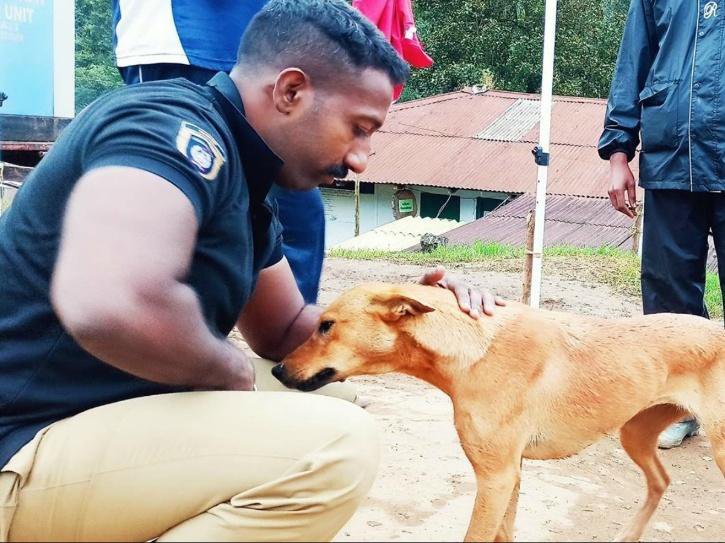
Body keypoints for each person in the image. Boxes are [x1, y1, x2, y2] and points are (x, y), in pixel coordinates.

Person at [0, 1, 501, 540]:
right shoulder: (166, 128)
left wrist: (411, 308)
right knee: (335, 446)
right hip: (21, 437)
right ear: (290, 91)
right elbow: (110, 302)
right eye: (358, 128)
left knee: (323, 391)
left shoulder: (246, 185)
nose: (361, 159)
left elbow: (284, 332)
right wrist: (226, 373)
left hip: (82, 417)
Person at [112, 0, 325, 305]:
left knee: (295, 201)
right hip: (182, 36)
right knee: (177, 199)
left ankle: (294, 335)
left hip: (270, 40)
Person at [598, 0, 725, 448]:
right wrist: (618, 153)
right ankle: (679, 406)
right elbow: (633, 60)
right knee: (668, 291)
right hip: (673, 156)